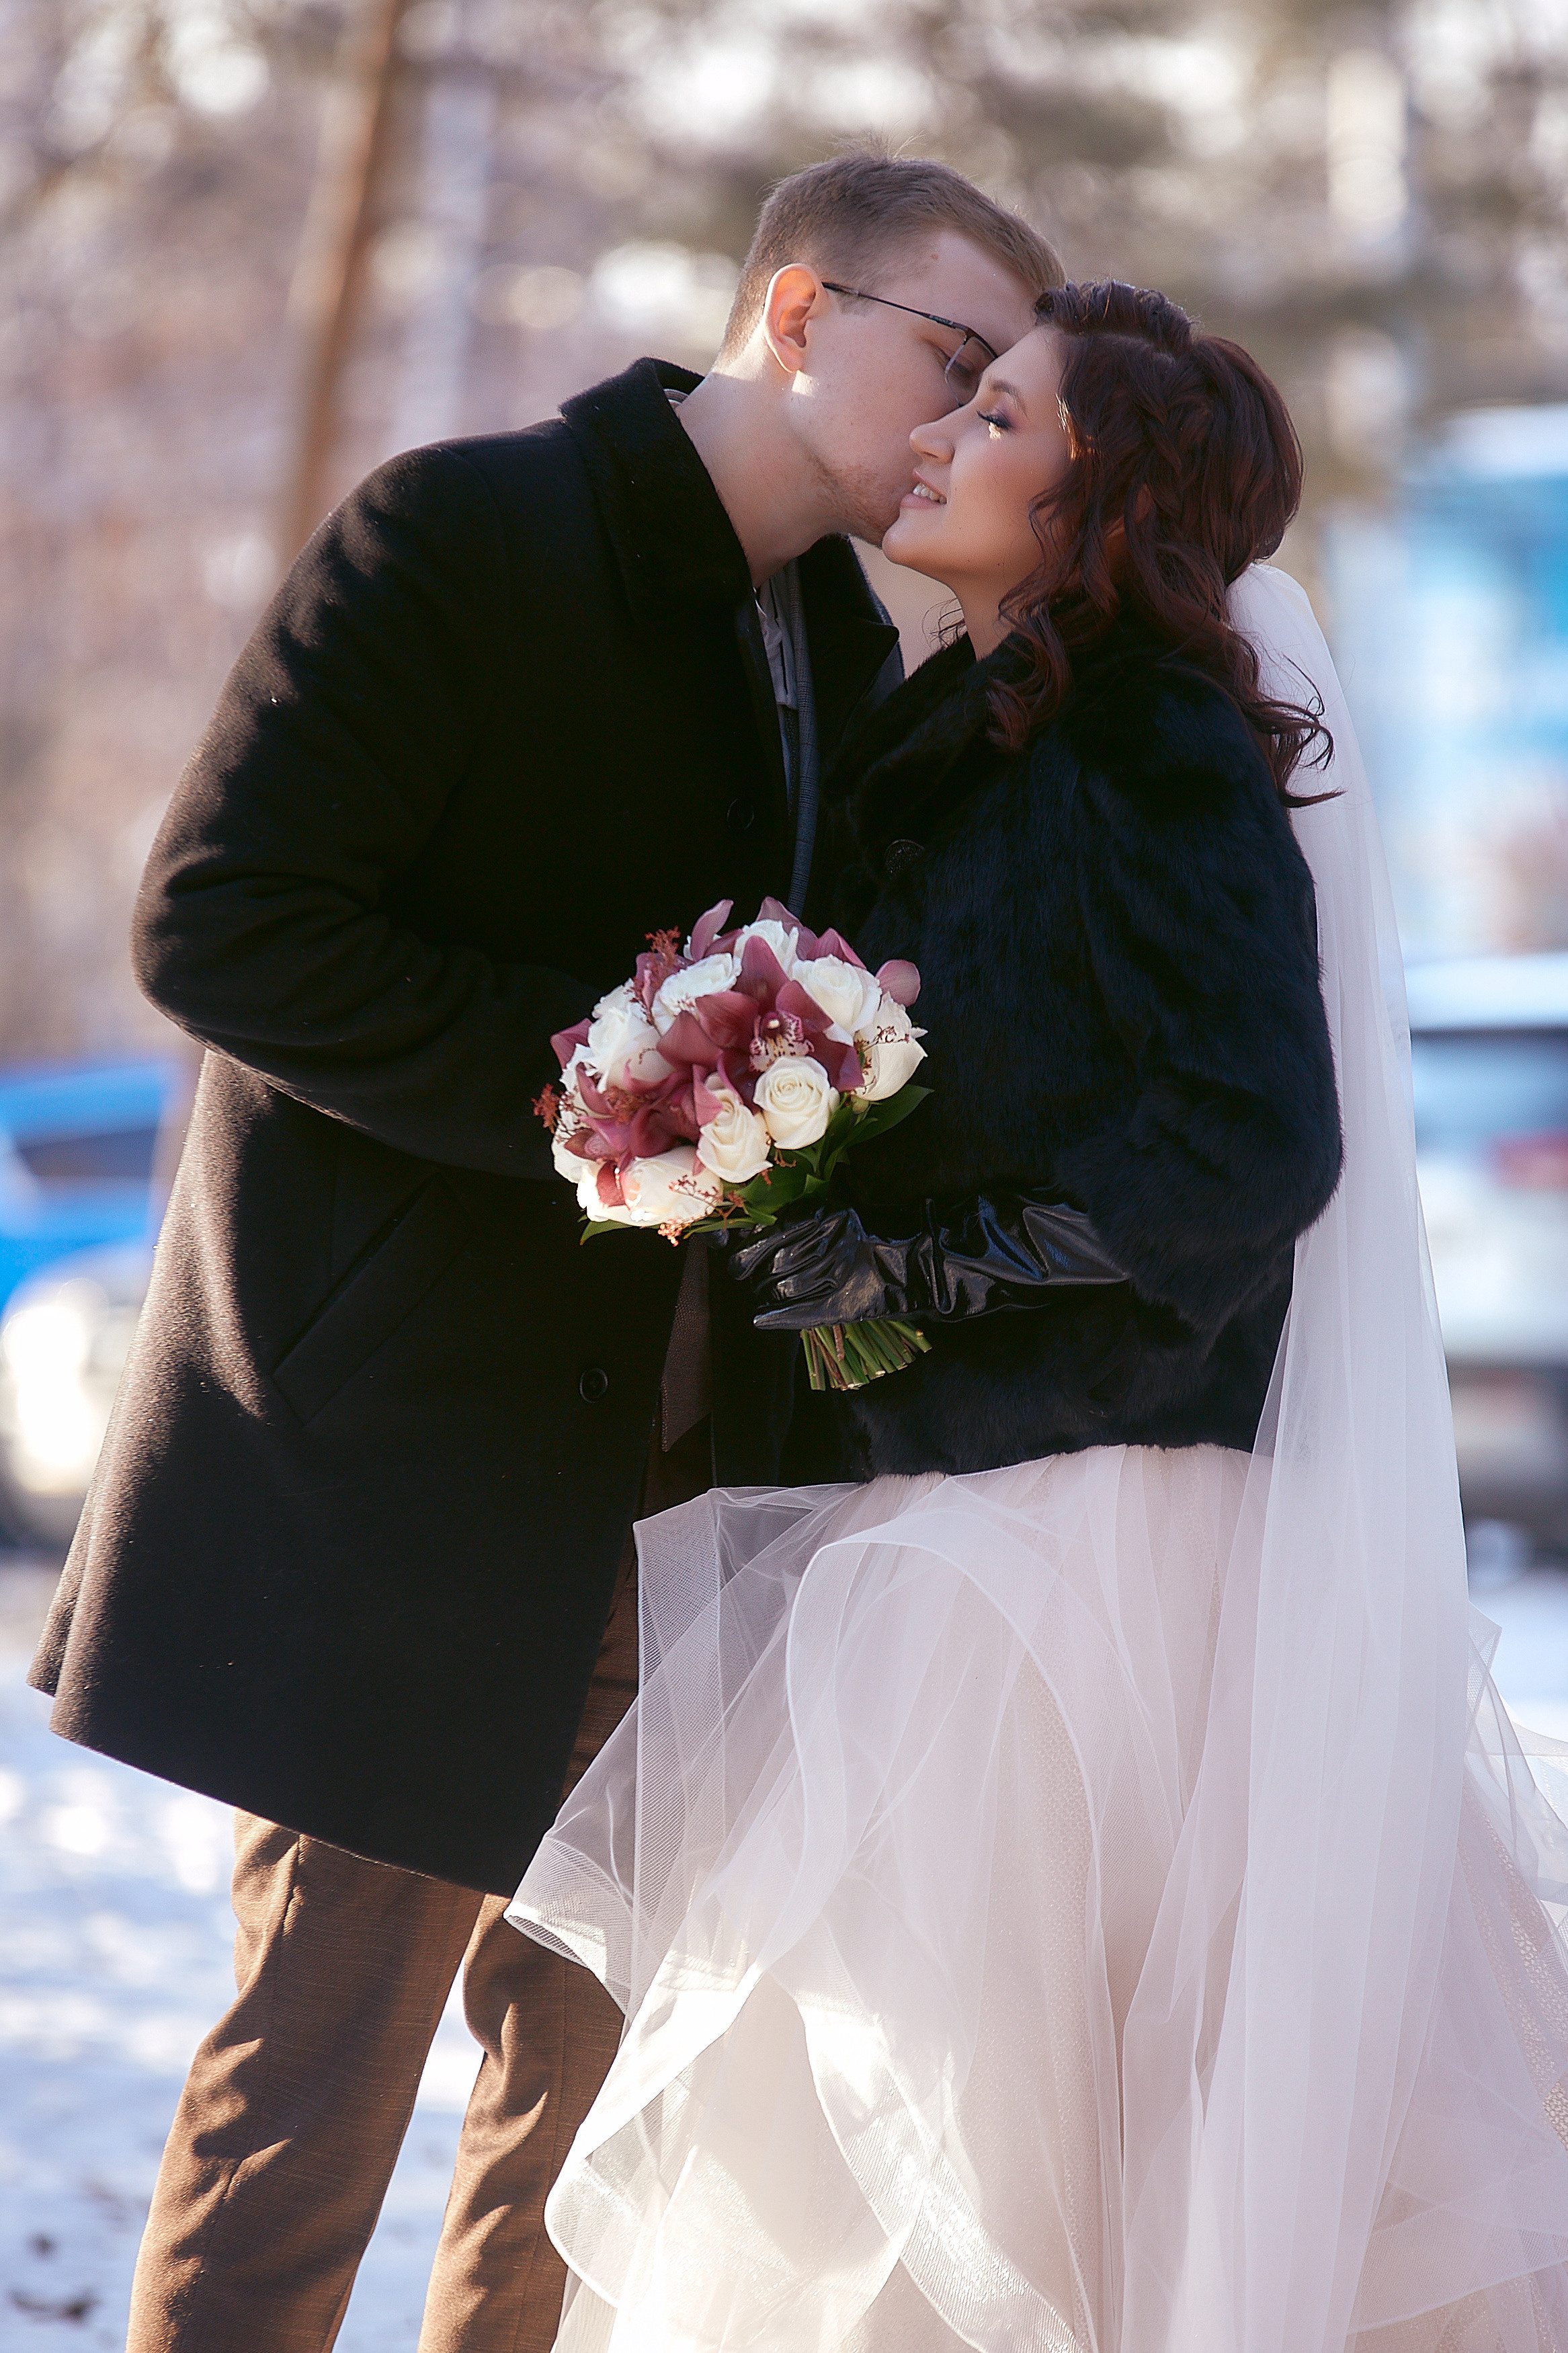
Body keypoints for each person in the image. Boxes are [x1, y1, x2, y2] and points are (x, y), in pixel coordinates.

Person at [26, 155, 1062, 2353]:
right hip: (407, 1467)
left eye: (1006, 397)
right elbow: (218, 922)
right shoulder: (460, 531)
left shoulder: (835, 636)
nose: (969, 427)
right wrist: (609, 1076)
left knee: (592, 2127)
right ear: (801, 311)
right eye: (955, 363)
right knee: (310, 2092)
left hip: (680, 1499)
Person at [510, 285, 1568, 2352]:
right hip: (963, 1519)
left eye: (995, 416)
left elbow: (1252, 1143)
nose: (937, 440)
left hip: (1106, 1552)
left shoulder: (1151, 735)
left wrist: (924, 1268)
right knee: (937, 2147)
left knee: (1063, 2169)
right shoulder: (974, 741)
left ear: (1102, 496)